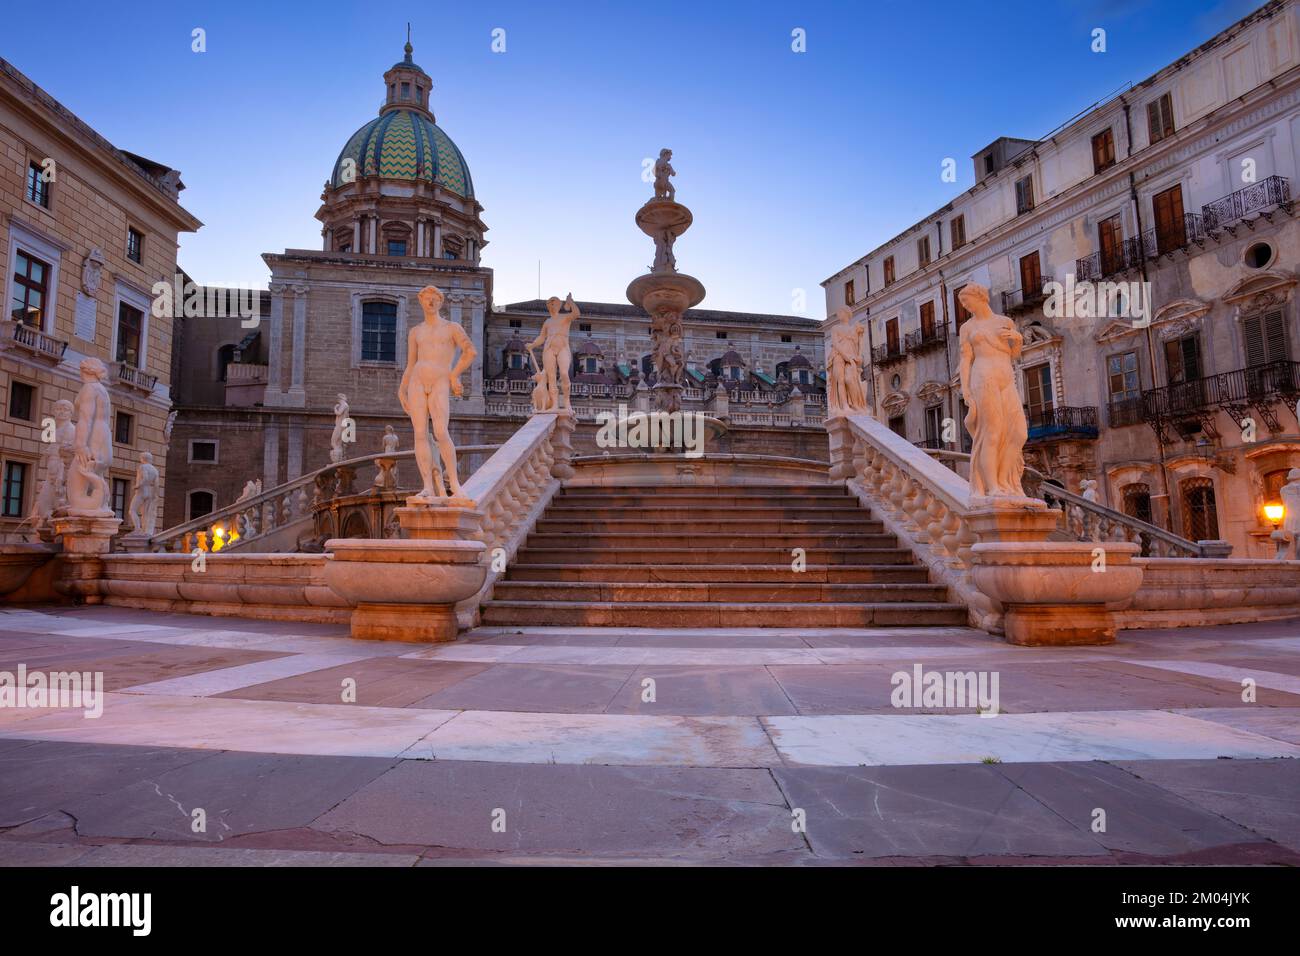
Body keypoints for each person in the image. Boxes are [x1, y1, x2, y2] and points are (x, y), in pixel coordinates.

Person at [398, 285, 476, 502]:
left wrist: (454, 375)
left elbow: (471, 352)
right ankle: (427, 487)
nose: (430, 303)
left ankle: (455, 484)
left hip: (440, 380)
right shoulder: (415, 332)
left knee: (441, 432)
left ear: (441, 302)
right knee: (420, 433)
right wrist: (402, 390)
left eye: (435, 299)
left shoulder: (452, 327)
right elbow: (411, 363)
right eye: (427, 299)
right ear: (421, 301)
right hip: (417, 381)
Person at [957, 283, 1027, 498]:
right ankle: (992, 486)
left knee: (1019, 433)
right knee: (992, 432)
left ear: (980, 297)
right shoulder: (967, 328)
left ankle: (1005, 481)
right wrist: (966, 390)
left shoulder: (1005, 322)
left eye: (966, 300)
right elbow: (966, 360)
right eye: (962, 302)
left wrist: (1018, 340)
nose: (965, 305)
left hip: (1006, 377)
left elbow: (1014, 355)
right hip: (983, 377)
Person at [527, 293, 579, 411]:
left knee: (564, 374)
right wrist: (533, 345)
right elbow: (541, 337)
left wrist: (570, 302)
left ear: (559, 304)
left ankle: (566, 402)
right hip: (549, 348)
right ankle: (555, 404)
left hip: (563, 348)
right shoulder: (547, 322)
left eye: (554, 302)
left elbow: (576, 313)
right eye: (550, 303)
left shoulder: (564, 317)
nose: (552, 304)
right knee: (551, 378)